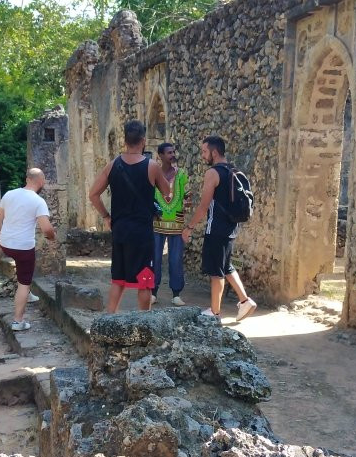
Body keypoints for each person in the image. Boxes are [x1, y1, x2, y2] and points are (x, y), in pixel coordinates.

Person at [88, 120, 172, 313]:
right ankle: (144, 321)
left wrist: (106, 216)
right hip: (142, 232)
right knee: (144, 280)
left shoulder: (112, 166)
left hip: (120, 229)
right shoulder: (151, 166)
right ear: (143, 141)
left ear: (124, 141)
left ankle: (110, 318)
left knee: (119, 277)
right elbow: (167, 193)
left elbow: (93, 194)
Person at [182, 135, 257, 321]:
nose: (202, 155)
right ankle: (245, 301)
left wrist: (189, 227)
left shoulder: (213, 173)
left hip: (216, 229)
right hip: (231, 227)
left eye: (204, 151)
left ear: (214, 152)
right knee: (225, 265)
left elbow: (204, 205)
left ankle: (214, 313)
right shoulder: (233, 170)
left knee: (216, 272)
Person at [0, 167, 55, 331]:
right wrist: (52, 237)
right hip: (23, 248)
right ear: (41, 182)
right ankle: (18, 321)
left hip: (6, 244)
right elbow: (46, 228)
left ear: (27, 179)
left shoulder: (9, 194)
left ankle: (27, 293)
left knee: (22, 268)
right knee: (24, 282)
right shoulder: (38, 201)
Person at [151, 142, 190, 307]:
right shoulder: (153, 173)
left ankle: (176, 294)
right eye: (169, 153)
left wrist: (187, 202)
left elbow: (187, 196)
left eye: (173, 152)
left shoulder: (181, 174)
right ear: (160, 155)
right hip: (156, 223)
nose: (173, 155)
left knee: (175, 259)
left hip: (176, 223)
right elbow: (148, 195)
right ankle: (153, 292)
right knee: (155, 258)